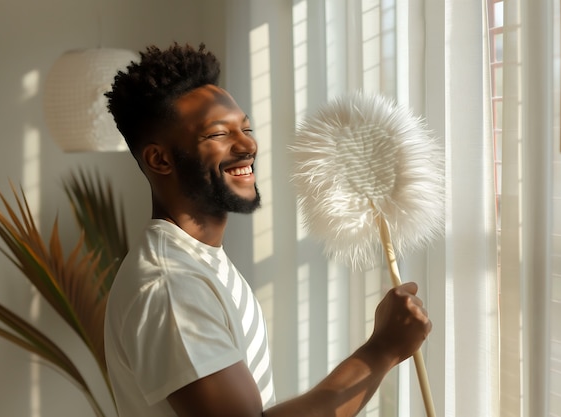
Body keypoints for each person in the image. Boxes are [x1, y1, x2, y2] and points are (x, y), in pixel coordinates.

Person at [103, 42, 432, 417]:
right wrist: (382, 349)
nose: (247, 144)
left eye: (245, 128)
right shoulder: (170, 286)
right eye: (217, 134)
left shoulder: (199, 263)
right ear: (159, 159)